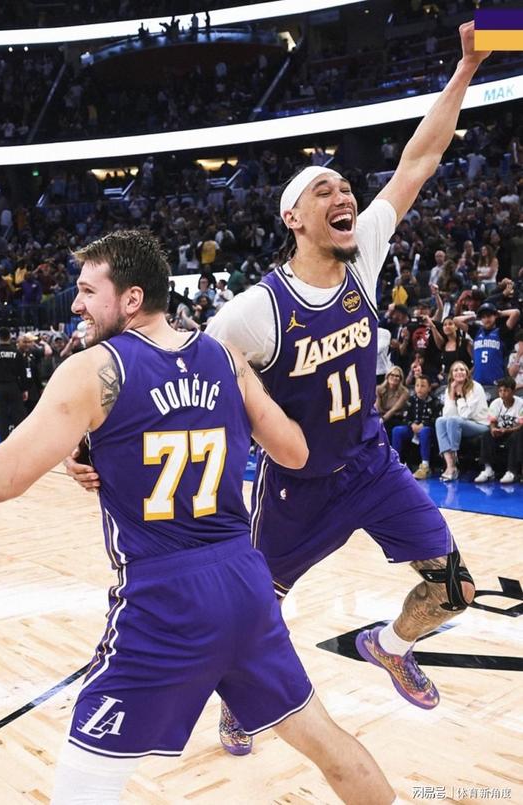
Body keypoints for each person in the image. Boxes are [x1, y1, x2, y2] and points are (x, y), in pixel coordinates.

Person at [0, 231, 397, 805]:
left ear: (132, 298)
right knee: (324, 740)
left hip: (165, 597)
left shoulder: (94, 369)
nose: (75, 304)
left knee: (83, 784)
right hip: (246, 581)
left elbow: (2, 477)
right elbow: (294, 451)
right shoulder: (225, 358)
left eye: (87, 291)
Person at [200, 21, 489, 751]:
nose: (344, 194)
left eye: (346, 187)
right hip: (297, 487)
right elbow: (185, 376)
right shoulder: (255, 311)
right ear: (293, 217)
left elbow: (420, 158)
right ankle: (238, 697)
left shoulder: (363, 257)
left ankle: (389, 645)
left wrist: (466, 67)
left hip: (372, 464)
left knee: (456, 589)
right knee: (254, 614)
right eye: (323, 188)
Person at [434, 361, 489, 481]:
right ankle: (450, 466)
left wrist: (460, 396)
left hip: (480, 424)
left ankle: (454, 458)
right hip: (460, 424)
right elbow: (447, 415)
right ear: (451, 374)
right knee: (440, 421)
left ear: (467, 373)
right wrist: (452, 394)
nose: (459, 372)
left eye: (462, 369)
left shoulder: (476, 387)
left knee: (453, 421)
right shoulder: (450, 388)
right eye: (456, 370)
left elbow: (465, 415)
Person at [454, 302, 520, 386]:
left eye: (489, 316)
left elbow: (516, 312)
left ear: (495, 316)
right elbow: (456, 320)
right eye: (483, 317)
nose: (486, 319)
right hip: (477, 382)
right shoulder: (476, 331)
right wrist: (474, 317)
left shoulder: (501, 332)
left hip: (497, 382)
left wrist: (500, 313)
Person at [473, 375, 523, 484]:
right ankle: (488, 470)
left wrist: (506, 431)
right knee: (486, 434)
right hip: (500, 432)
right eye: (500, 391)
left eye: (506, 390)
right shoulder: (496, 403)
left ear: (513, 391)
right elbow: (492, 421)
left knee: (518, 434)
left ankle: (511, 471)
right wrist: (493, 429)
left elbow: (521, 425)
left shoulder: (521, 403)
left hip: (514, 432)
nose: (503, 393)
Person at [390, 375, 441, 480]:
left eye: (423, 386)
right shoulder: (411, 400)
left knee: (425, 431)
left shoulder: (435, 401)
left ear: (429, 388)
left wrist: (423, 425)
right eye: (417, 385)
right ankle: (396, 463)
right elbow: (405, 417)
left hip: (428, 430)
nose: (419, 388)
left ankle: (425, 466)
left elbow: (436, 419)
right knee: (397, 430)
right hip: (412, 428)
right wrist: (411, 424)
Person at [0, 327, 27, 441]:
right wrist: (24, 389)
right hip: (14, 386)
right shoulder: (17, 353)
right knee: (18, 415)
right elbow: (22, 373)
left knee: (1, 416)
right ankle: (20, 440)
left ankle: (4, 441)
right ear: (9, 337)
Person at [375, 366, 409, 438]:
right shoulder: (378, 389)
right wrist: (380, 419)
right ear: (387, 376)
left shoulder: (404, 392)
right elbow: (378, 408)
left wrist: (382, 420)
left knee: (385, 425)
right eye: (392, 375)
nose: (394, 377)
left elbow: (394, 410)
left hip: (396, 418)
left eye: (397, 376)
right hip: (380, 416)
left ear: (400, 379)